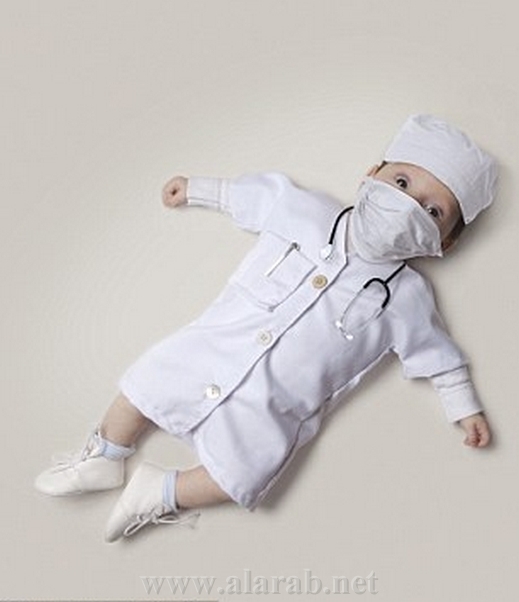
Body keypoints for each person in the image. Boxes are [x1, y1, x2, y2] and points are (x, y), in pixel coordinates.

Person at [34, 114, 498, 543]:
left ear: (447, 243)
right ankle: (106, 454)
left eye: (432, 212)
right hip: (212, 348)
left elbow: (438, 356)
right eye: (401, 183)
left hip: (273, 406)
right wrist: (196, 189)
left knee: (243, 474)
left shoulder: (408, 297)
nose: (406, 207)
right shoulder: (305, 210)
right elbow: (251, 197)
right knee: (146, 384)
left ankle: (161, 492)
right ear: (372, 172)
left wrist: (465, 410)